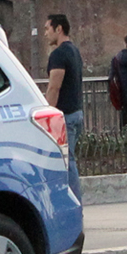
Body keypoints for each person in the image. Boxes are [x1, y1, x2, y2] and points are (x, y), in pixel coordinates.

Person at [44, 15, 83, 199]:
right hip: (76, 112)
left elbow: (54, 87)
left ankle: (75, 205)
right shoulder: (74, 51)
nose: (45, 34)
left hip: (64, 115)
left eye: (47, 29)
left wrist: (47, 115)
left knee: (67, 162)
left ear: (58, 29)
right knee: (69, 160)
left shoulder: (58, 54)